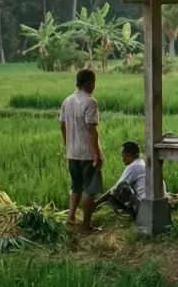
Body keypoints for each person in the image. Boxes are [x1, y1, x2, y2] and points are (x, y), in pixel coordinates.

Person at [60, 68, 103, 234]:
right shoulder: (90, 102)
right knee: (90, 189)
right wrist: (96, 154)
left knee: (76, 186)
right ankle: (86, 225)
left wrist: (68, 146)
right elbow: (91, 129)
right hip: (87, 153)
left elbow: (62, 126)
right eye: (94, 83)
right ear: (90, 83)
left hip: (72, 152)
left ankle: (70, 218)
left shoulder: (67, 101)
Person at [96, 140, 146, 218]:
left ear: (129, 155)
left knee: (118, 190)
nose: (122, 160)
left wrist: (96, 203)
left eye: (123, 156)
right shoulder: (141, 162)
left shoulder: (133, 167)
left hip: (143, 205)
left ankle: (124, 214)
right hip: (150, 202)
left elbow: (115, 188)